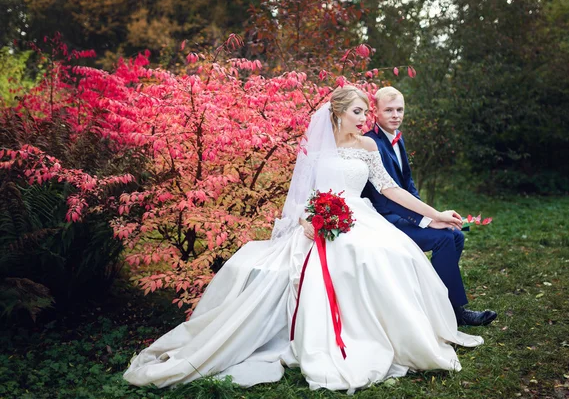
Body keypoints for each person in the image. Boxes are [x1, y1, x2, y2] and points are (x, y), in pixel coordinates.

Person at [123, 86, 484, 394]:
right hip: (319, 221)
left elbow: (389, 189)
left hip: (361, 217)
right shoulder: (315, 148)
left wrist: (435, 214)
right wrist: (305, 220)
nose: (364, 119)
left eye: (364, 112)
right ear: (338, 113)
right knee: (333, 259)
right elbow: (300, 196)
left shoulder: (369, 148)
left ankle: (396, 334)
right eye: (357, 112)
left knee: (384, 254)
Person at [361, 86, 497, 326]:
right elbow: (386, 196)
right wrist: (426, 220)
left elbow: (409, 186)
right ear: (376, 112)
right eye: (389, 110)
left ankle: (435, 301)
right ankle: (455, 312)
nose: (396, 115)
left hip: (401, 213)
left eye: (400, 109)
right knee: (443, 238)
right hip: (383, 218)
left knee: (456, 236)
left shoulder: (396, 139)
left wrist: (432, 215)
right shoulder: (372, 143)